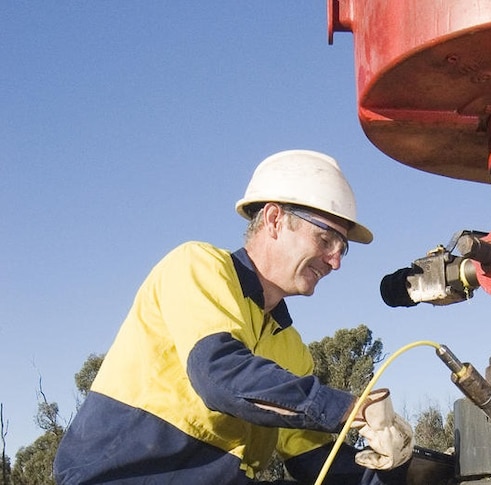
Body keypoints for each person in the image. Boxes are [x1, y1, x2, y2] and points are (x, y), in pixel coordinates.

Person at [54, 150, 413, 484]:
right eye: (325, 240)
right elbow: (220, 375)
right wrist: (352, 409)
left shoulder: (292, 349)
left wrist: (391, 464)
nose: (336, 261)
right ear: (274, 220)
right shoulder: (197, 266)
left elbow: (313, 459)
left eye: (342, 248)